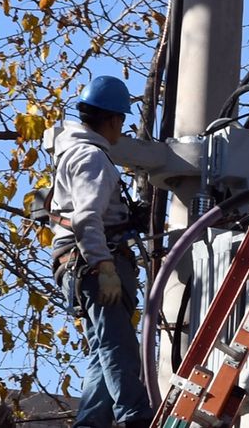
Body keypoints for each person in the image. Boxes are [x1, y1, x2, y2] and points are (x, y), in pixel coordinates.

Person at [49, 75, 152, 428]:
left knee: (102, 351)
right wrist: (105, 266)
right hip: (94, 265)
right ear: (113, 119)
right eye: (121, 121)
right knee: (118, 345)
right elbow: (86, 218)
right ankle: (135, 417)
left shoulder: (77, 152)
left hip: (80, 264)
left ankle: (91, 422)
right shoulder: (91, 157)